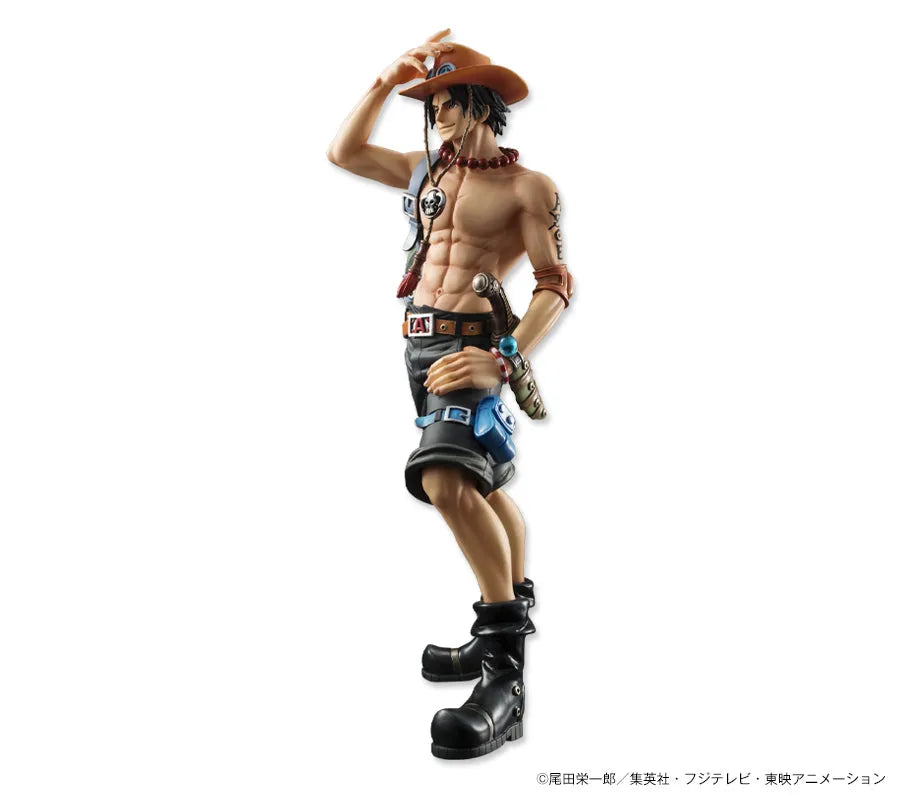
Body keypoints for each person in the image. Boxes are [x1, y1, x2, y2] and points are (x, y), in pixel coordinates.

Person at [327, 29, 572, 759]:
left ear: (481, 105)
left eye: (448, 103)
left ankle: (504, 674)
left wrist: (502, 359)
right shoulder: (425, 173)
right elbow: (344, 152)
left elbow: (555, 284)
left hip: (472, 351)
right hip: (419, 347)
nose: (437, 116)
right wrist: (383, 81)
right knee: (481, 484)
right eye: (430, 106)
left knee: (445, 478)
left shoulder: (527, 188)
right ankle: (500, 623)